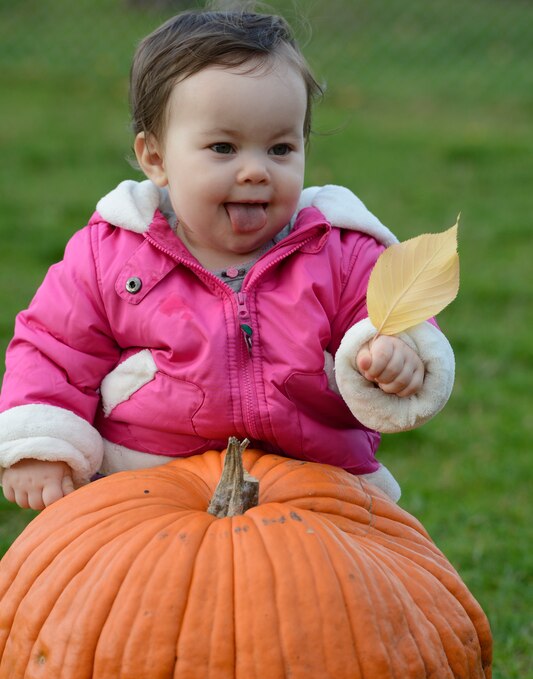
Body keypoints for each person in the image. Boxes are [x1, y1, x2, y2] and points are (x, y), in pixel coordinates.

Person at [0, 7, 455, 511]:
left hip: (317, 487)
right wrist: (39, 444)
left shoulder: (339, 250)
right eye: (223, 147)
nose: (255, 171)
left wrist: (395, 351)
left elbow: (390, 313)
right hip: (146, 484)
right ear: (155, 157)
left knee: (338, 587)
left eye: (281, 149)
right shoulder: (110, 256)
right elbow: (53, 350)